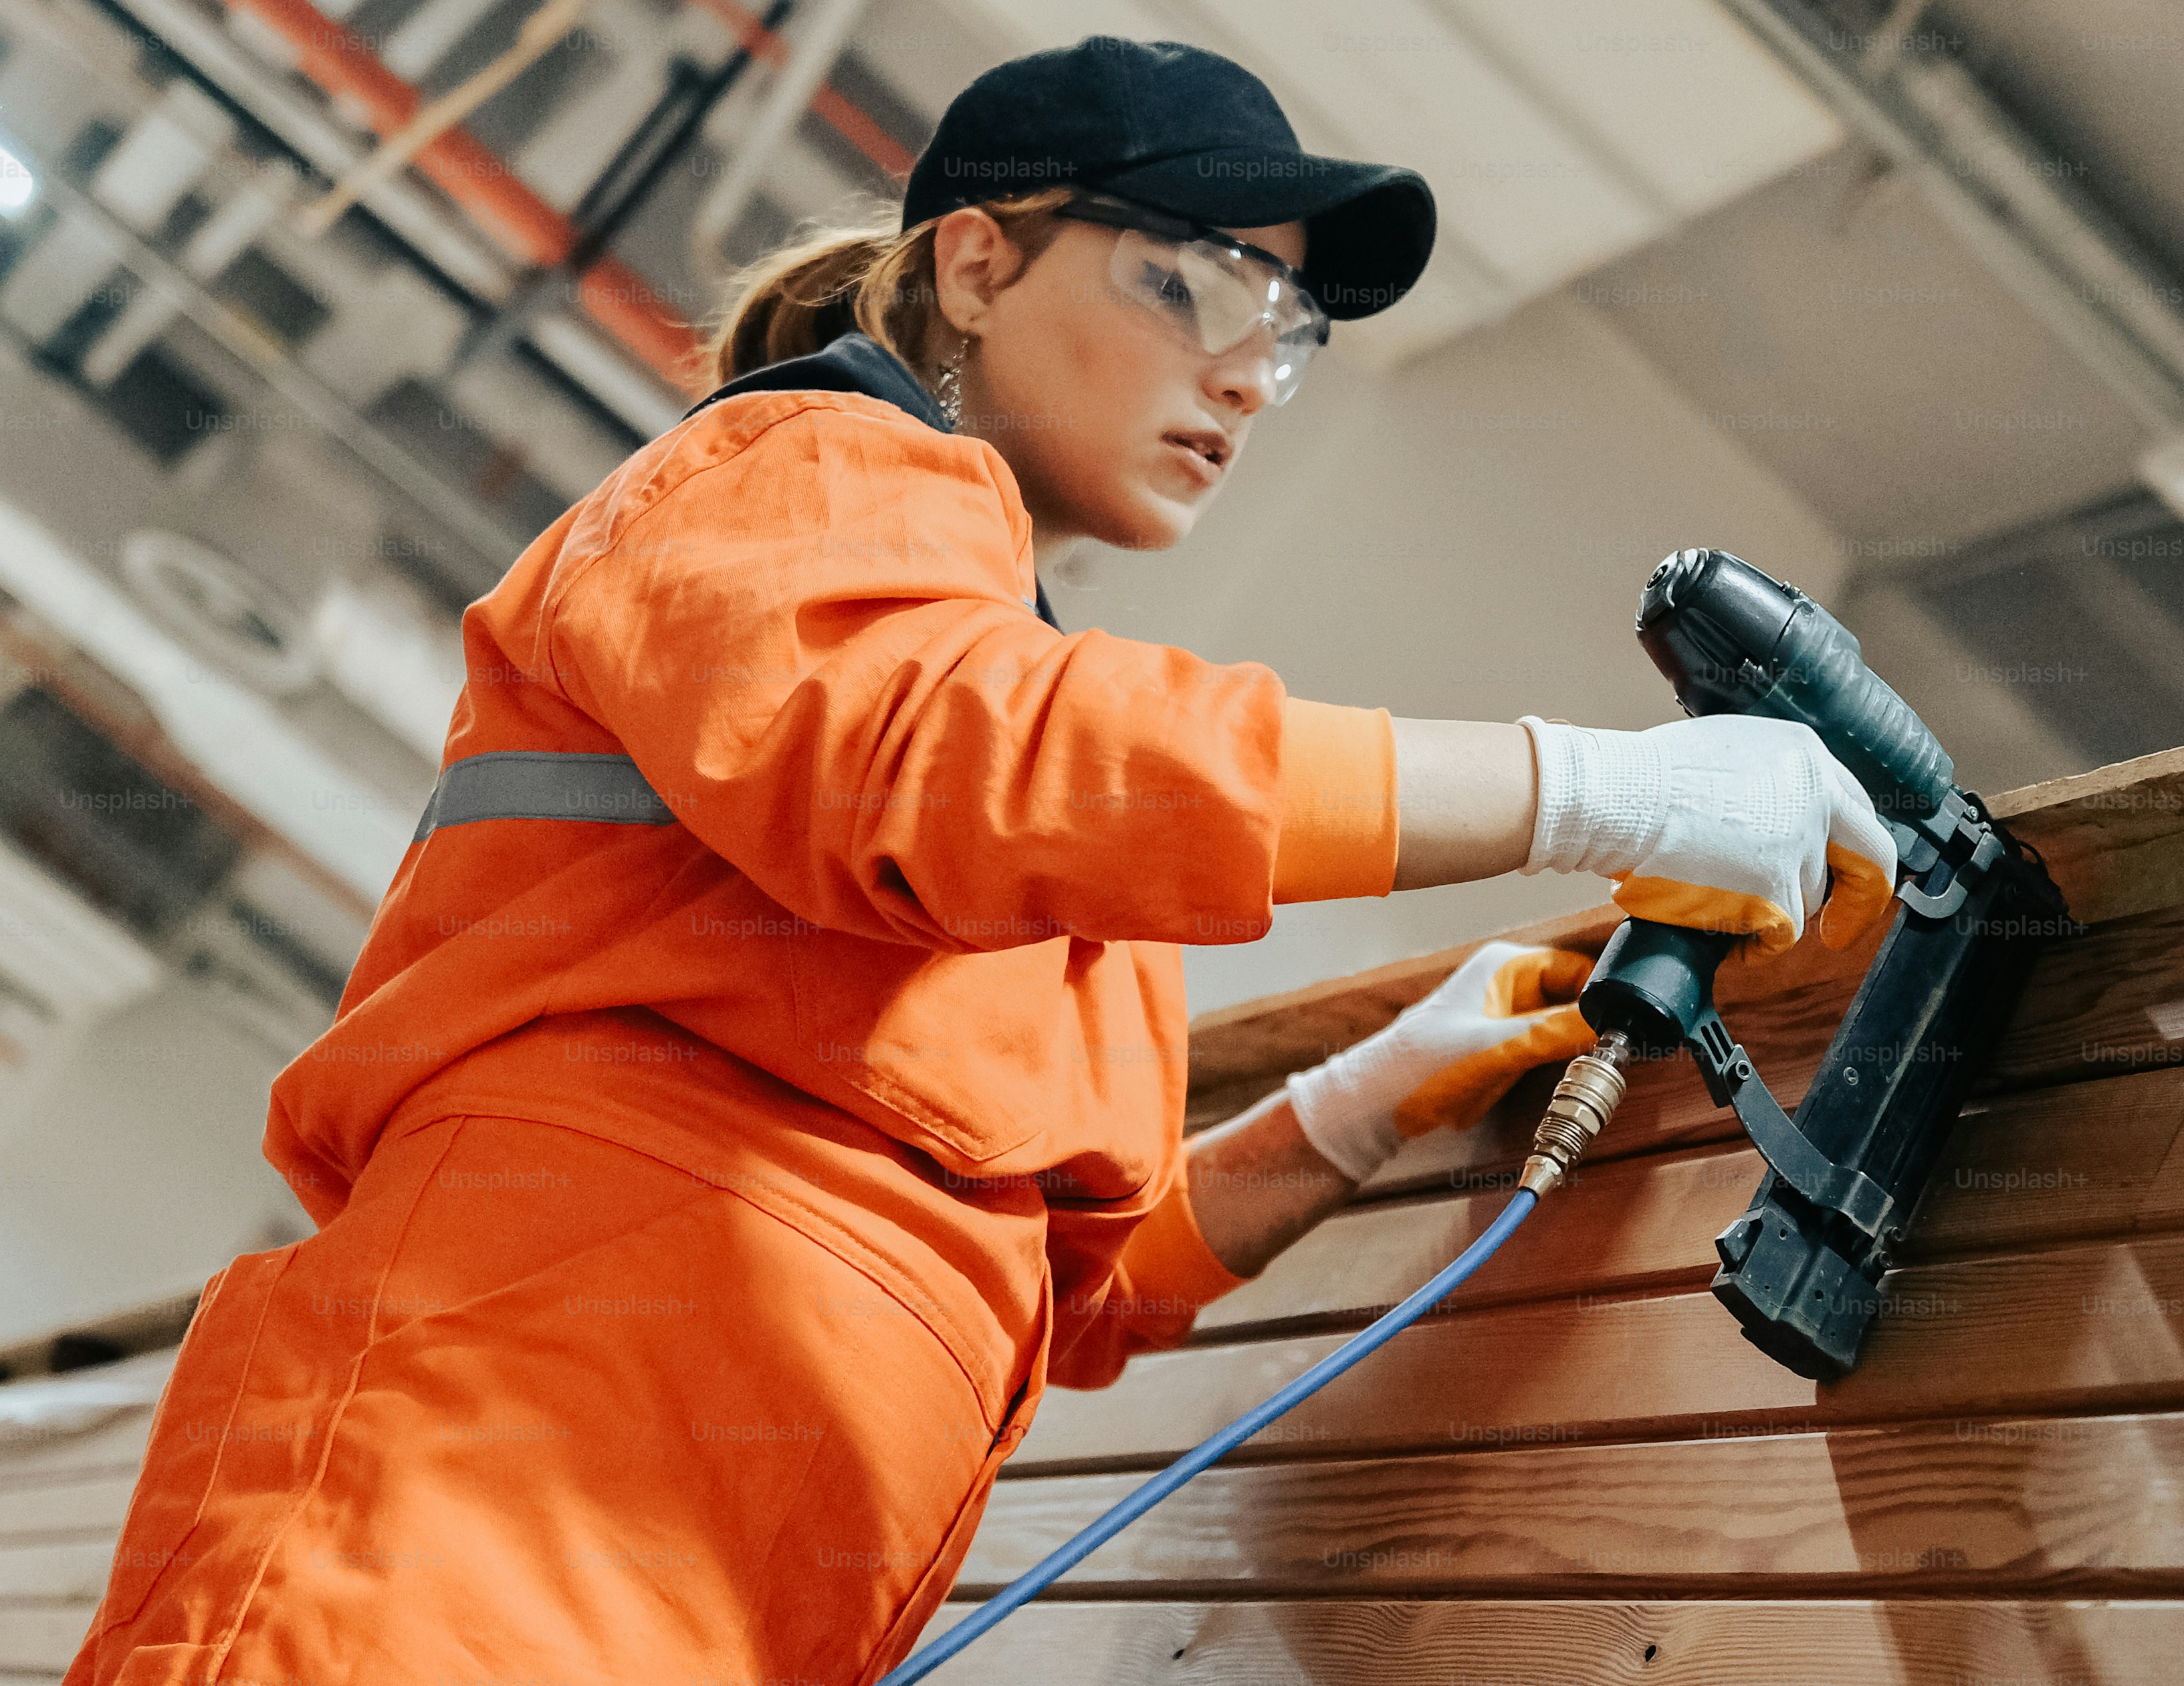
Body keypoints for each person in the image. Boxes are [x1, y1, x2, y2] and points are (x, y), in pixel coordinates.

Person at [66, 37, 1894, 1686]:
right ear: (975, 261)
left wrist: (1359, 1106)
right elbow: (963, 761)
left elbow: (1058, 1290)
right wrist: (1586, 788)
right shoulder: (800, 476)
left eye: (1291, 331)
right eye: (1198, 283)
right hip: (450, 1544)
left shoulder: (1035, 818)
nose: (1251, 378)